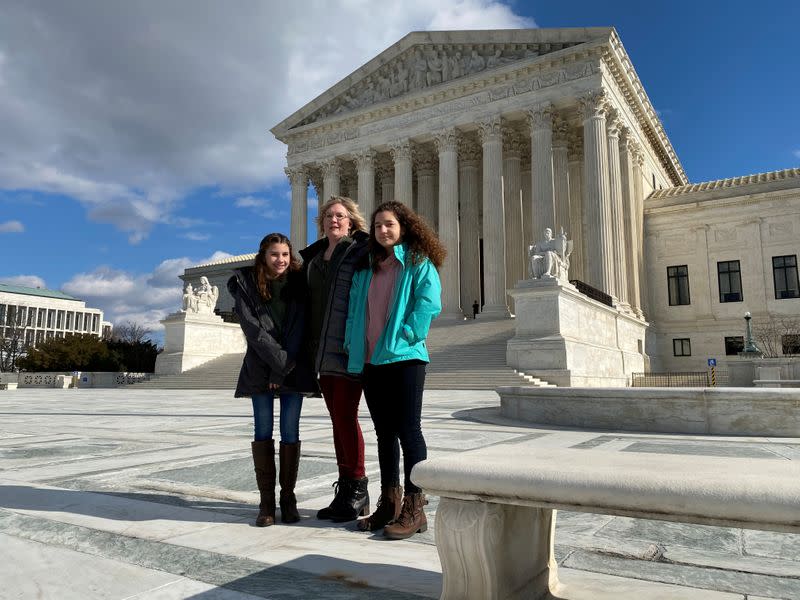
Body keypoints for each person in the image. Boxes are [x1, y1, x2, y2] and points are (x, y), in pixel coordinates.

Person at [345, 201, 444, 539]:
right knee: (384, 433)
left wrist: (407, 335)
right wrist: (351, 343)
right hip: (371, 360)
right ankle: (389, 503)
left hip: (405, 358)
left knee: (408, 430)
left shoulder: (418, 262)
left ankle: (415, 507)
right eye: (377, 226)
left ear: (403, 226)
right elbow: (355, 314)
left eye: (389, 224)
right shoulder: (366, 269)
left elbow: (428, 303)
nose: (383, 231)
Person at [228, 233, 317, 527]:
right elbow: (252, 331)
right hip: (259, 366)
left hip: (291, 368)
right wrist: (276, 366)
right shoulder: (246, 285)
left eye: (285, 255)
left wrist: (282, 370)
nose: (281, 260)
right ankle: (266, 501)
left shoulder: (299, 285)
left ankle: (287, 498)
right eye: (274, 255)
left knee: (290, 431)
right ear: (263, 256)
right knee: (263, 430)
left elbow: (300, 329)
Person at [300, 196, 371, 522]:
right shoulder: (314, 258)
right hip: (320, 349)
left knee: (346, 416)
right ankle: (346, 489)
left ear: (352, 221)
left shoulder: (359, 250)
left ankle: (358, 488)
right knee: (337, 419)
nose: (334, 220)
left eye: (340, 215)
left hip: (345, 347)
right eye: (328, 215)